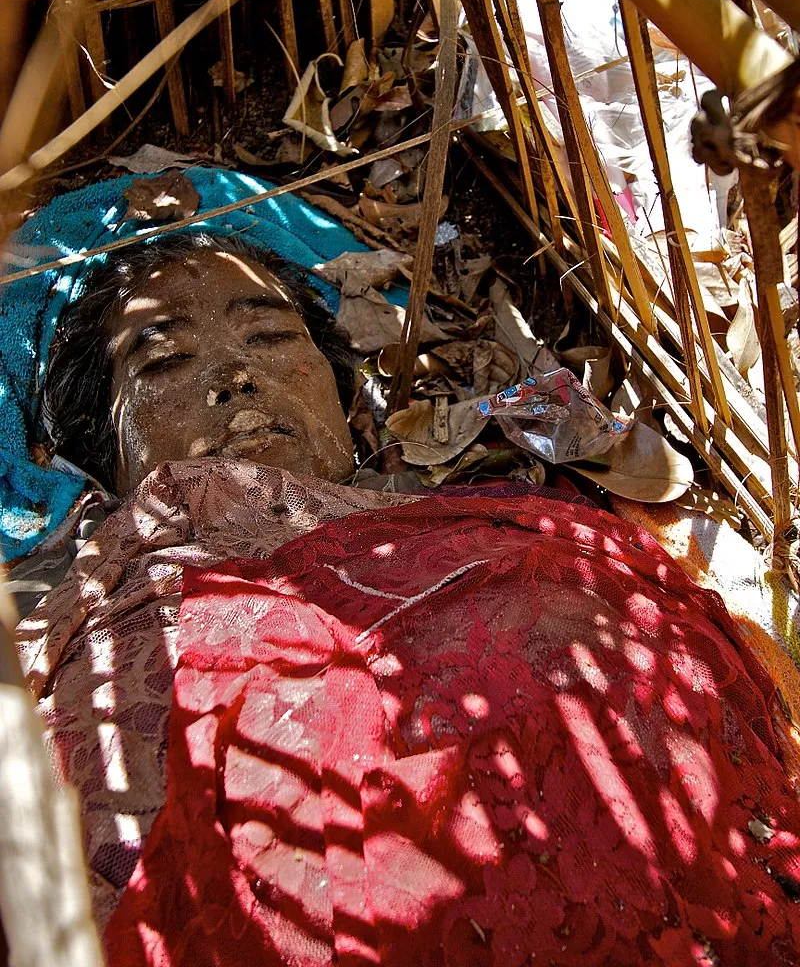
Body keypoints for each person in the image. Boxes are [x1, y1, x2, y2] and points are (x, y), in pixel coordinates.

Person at [15, 230, 800, 966]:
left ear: (344, 397)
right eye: (164, 364)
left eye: (271, 338)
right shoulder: (97, 622)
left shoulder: (516, 521)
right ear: (93, 449)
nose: (235, 376)